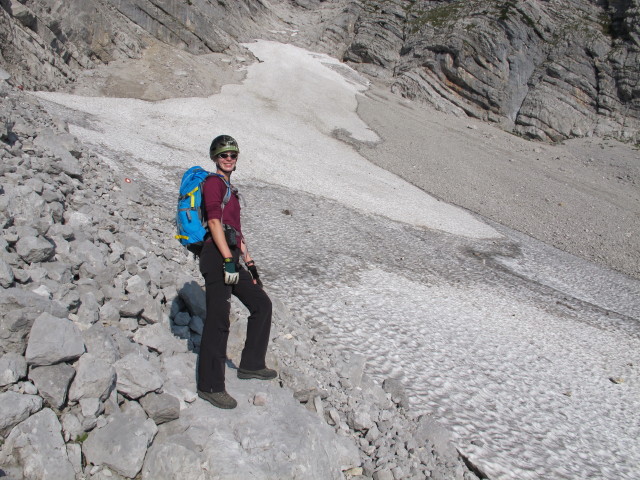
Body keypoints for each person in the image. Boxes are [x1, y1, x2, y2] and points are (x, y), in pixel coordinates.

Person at [197, 134, 276, 409]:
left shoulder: (232, 192)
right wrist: (228, 260)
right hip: (215, 254)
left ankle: (251, 364)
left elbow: (235, 231)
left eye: (232, 155)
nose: (228, 159)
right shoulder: (211, 184)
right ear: (214, 158)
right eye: (223, 155)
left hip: (230, 255)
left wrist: (249, 264)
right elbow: (215, 223)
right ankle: (210, 385)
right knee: (219, 319)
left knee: (261, 303)